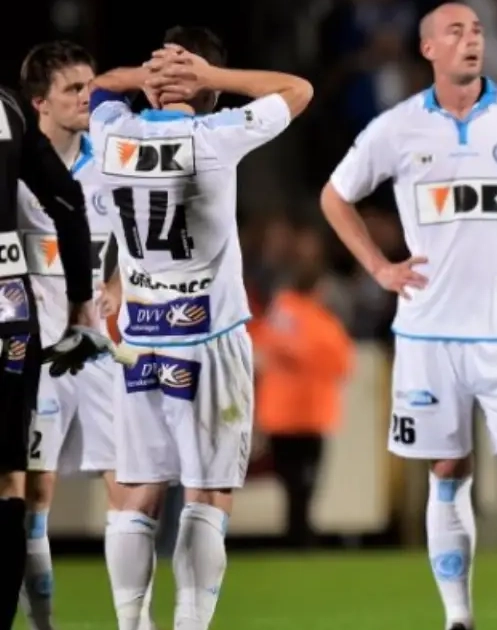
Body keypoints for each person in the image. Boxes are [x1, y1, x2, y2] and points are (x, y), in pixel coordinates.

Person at [319, 4, 497, 629]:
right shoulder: (398, 127)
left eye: (476, 31)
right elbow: (335, 196)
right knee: (447, 471)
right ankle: (457, 618)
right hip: (428, 334)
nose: (471, 40)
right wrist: (380, 267)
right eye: (456, 32)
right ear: (428, 50)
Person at [86, 26, 311, 630]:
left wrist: (148, 75)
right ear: (207, 91)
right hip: (209, 339)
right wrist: (210, 77)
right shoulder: (216, 135)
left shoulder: (112, 134)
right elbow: (297, 89)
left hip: (139, 340)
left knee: (136, 492)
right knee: (207, 496)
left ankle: (131, 625)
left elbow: (100, 85)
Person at [15, 40, 158, 630]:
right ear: (39, 102)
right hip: (37, 353)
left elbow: (141, 231)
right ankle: (44, 623)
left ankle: (137, 622)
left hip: (97, 349)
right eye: (73, 89)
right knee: (35, 494)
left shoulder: (111, 159)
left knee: (128, 485)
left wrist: (119, 281)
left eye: (90, 86)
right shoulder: (17, 167)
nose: (87, 98)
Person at [0, 82, 103, 628]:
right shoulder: (9, 111)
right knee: (12, 480)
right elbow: (65, 200)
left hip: (21, 312)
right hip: (14, 312)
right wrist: (80, 296)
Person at [253, 224, 354, 547]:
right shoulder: (323, 323)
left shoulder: (280, 314)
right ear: (319, 288)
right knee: (305, 481)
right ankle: (300, 535)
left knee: (291, 481)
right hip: (310, 413)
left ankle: (296, 533)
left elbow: (265, 346)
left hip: (281, 413)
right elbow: (343, 364)